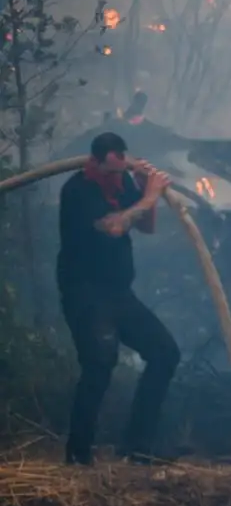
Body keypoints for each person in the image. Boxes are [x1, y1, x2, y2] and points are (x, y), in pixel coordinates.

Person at [56, 132, 180, 465]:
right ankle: (79, 456)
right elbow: (112, 227)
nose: (116, 178)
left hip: (118, 292)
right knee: (99, 362)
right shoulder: (78, 190)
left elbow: (146, 227)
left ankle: (137, 449)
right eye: (110, 171)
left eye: (120, 170)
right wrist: (149, 197)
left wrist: (142, 188)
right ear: (94, 163)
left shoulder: (122, 182)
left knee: (165, 353)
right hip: (85, 293)